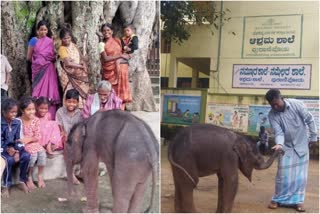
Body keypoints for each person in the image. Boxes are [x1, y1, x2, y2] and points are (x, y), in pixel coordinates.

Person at [265, 89, 317, 212]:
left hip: (301, 144)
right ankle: (278, 199)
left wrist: (314, 136)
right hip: (286, 147)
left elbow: (309, 119)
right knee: (283, 174)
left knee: (300, 176)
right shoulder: (272, 114)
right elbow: (279, 132)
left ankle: (298, 201)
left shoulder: (296, 104)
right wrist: (279, 144)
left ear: (281, 98)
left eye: (277, 103)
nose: (275, 107)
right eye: (272, 105)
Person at [27, 20, 61, 118]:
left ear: (47, 31)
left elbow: (54, 57)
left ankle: (50, 117)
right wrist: (39, 61)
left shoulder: (50, 41)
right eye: (41, 30)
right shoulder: (34, 40)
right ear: (37, 30)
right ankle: (36, 117)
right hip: (38, 70)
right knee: (37, 92)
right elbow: (29, 57)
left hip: (49, 70)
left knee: (50, 92)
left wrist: (47, 59)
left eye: (45, 30)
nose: (43, 32)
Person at [1, 98, 30, 197]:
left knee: (26, 155)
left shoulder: (17, 122)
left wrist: (17, 151)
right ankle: (6, 185)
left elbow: (19, 139)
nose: (14, 114)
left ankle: (22, 180)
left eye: (15, 112)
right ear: (4, 112)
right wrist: (7, 149)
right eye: (11, 112)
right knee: (8, 160)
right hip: (2, 149)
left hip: (14, 148)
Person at [99, 23, 132, 110]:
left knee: (121, 92)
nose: (106, 32)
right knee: (111, 91)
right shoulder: (101, 44)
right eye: (104, 31)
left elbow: (125, 52)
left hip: (121, 69)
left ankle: (121, 111)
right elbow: (105, 58)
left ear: (112, 31)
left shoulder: (117, 40)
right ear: (102, 32)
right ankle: (111, 111)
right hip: (109, 71)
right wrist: (120, 56)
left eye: (108, 30)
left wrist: (128, 55)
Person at [57, 25, 90, 109]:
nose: (67, 40)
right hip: (69, 76)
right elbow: (67, 63)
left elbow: (81, 57)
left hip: (79, 74)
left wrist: (83, 62)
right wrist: (80, 66)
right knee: (70, 91)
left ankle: (82, 108)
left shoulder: (74, 46)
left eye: (68, 38)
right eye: (65, 38)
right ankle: (70, 109)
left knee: (82, 92)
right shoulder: (62, 49)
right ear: (61, 39)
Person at [55, 89, 83, 184]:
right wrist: (65, 135)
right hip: (63, 135)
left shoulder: (80, 113)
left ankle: (81, 172)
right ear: (65, 101)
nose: (71, 104)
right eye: (69, 101)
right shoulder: (60, 111)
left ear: (78, 103)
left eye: (74, 102)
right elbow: (59, 128)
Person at [19, 96, 47, 189]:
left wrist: (30, 139)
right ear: (22, 110)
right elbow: (19, 138)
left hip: (33, 142)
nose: (32, 112)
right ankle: (29, 177)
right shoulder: (18, 121)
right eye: (29, 109)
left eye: (33, 109)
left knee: (42, 154)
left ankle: (40, 176)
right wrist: (26, 140)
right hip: (23, 145)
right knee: (33, 155)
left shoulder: (36, 120)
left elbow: (38, 136)